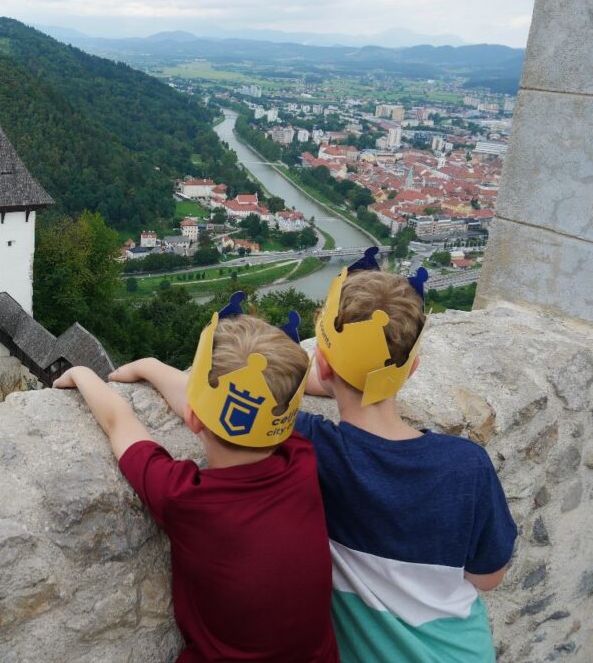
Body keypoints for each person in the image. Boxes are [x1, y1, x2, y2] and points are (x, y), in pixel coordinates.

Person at [54, 293, 339, 663]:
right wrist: (153, 367)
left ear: (191, 420)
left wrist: (82, 374)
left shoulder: (184, 499)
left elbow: (118, 422)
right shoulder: (300, 457)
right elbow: (215, 409)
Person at [300, 248, 517, 662]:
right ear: (412, 368)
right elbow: (489, 577)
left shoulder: (315, 449)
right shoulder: (466, 465)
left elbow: (234, 404)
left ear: (323, 366)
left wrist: (149, 366)